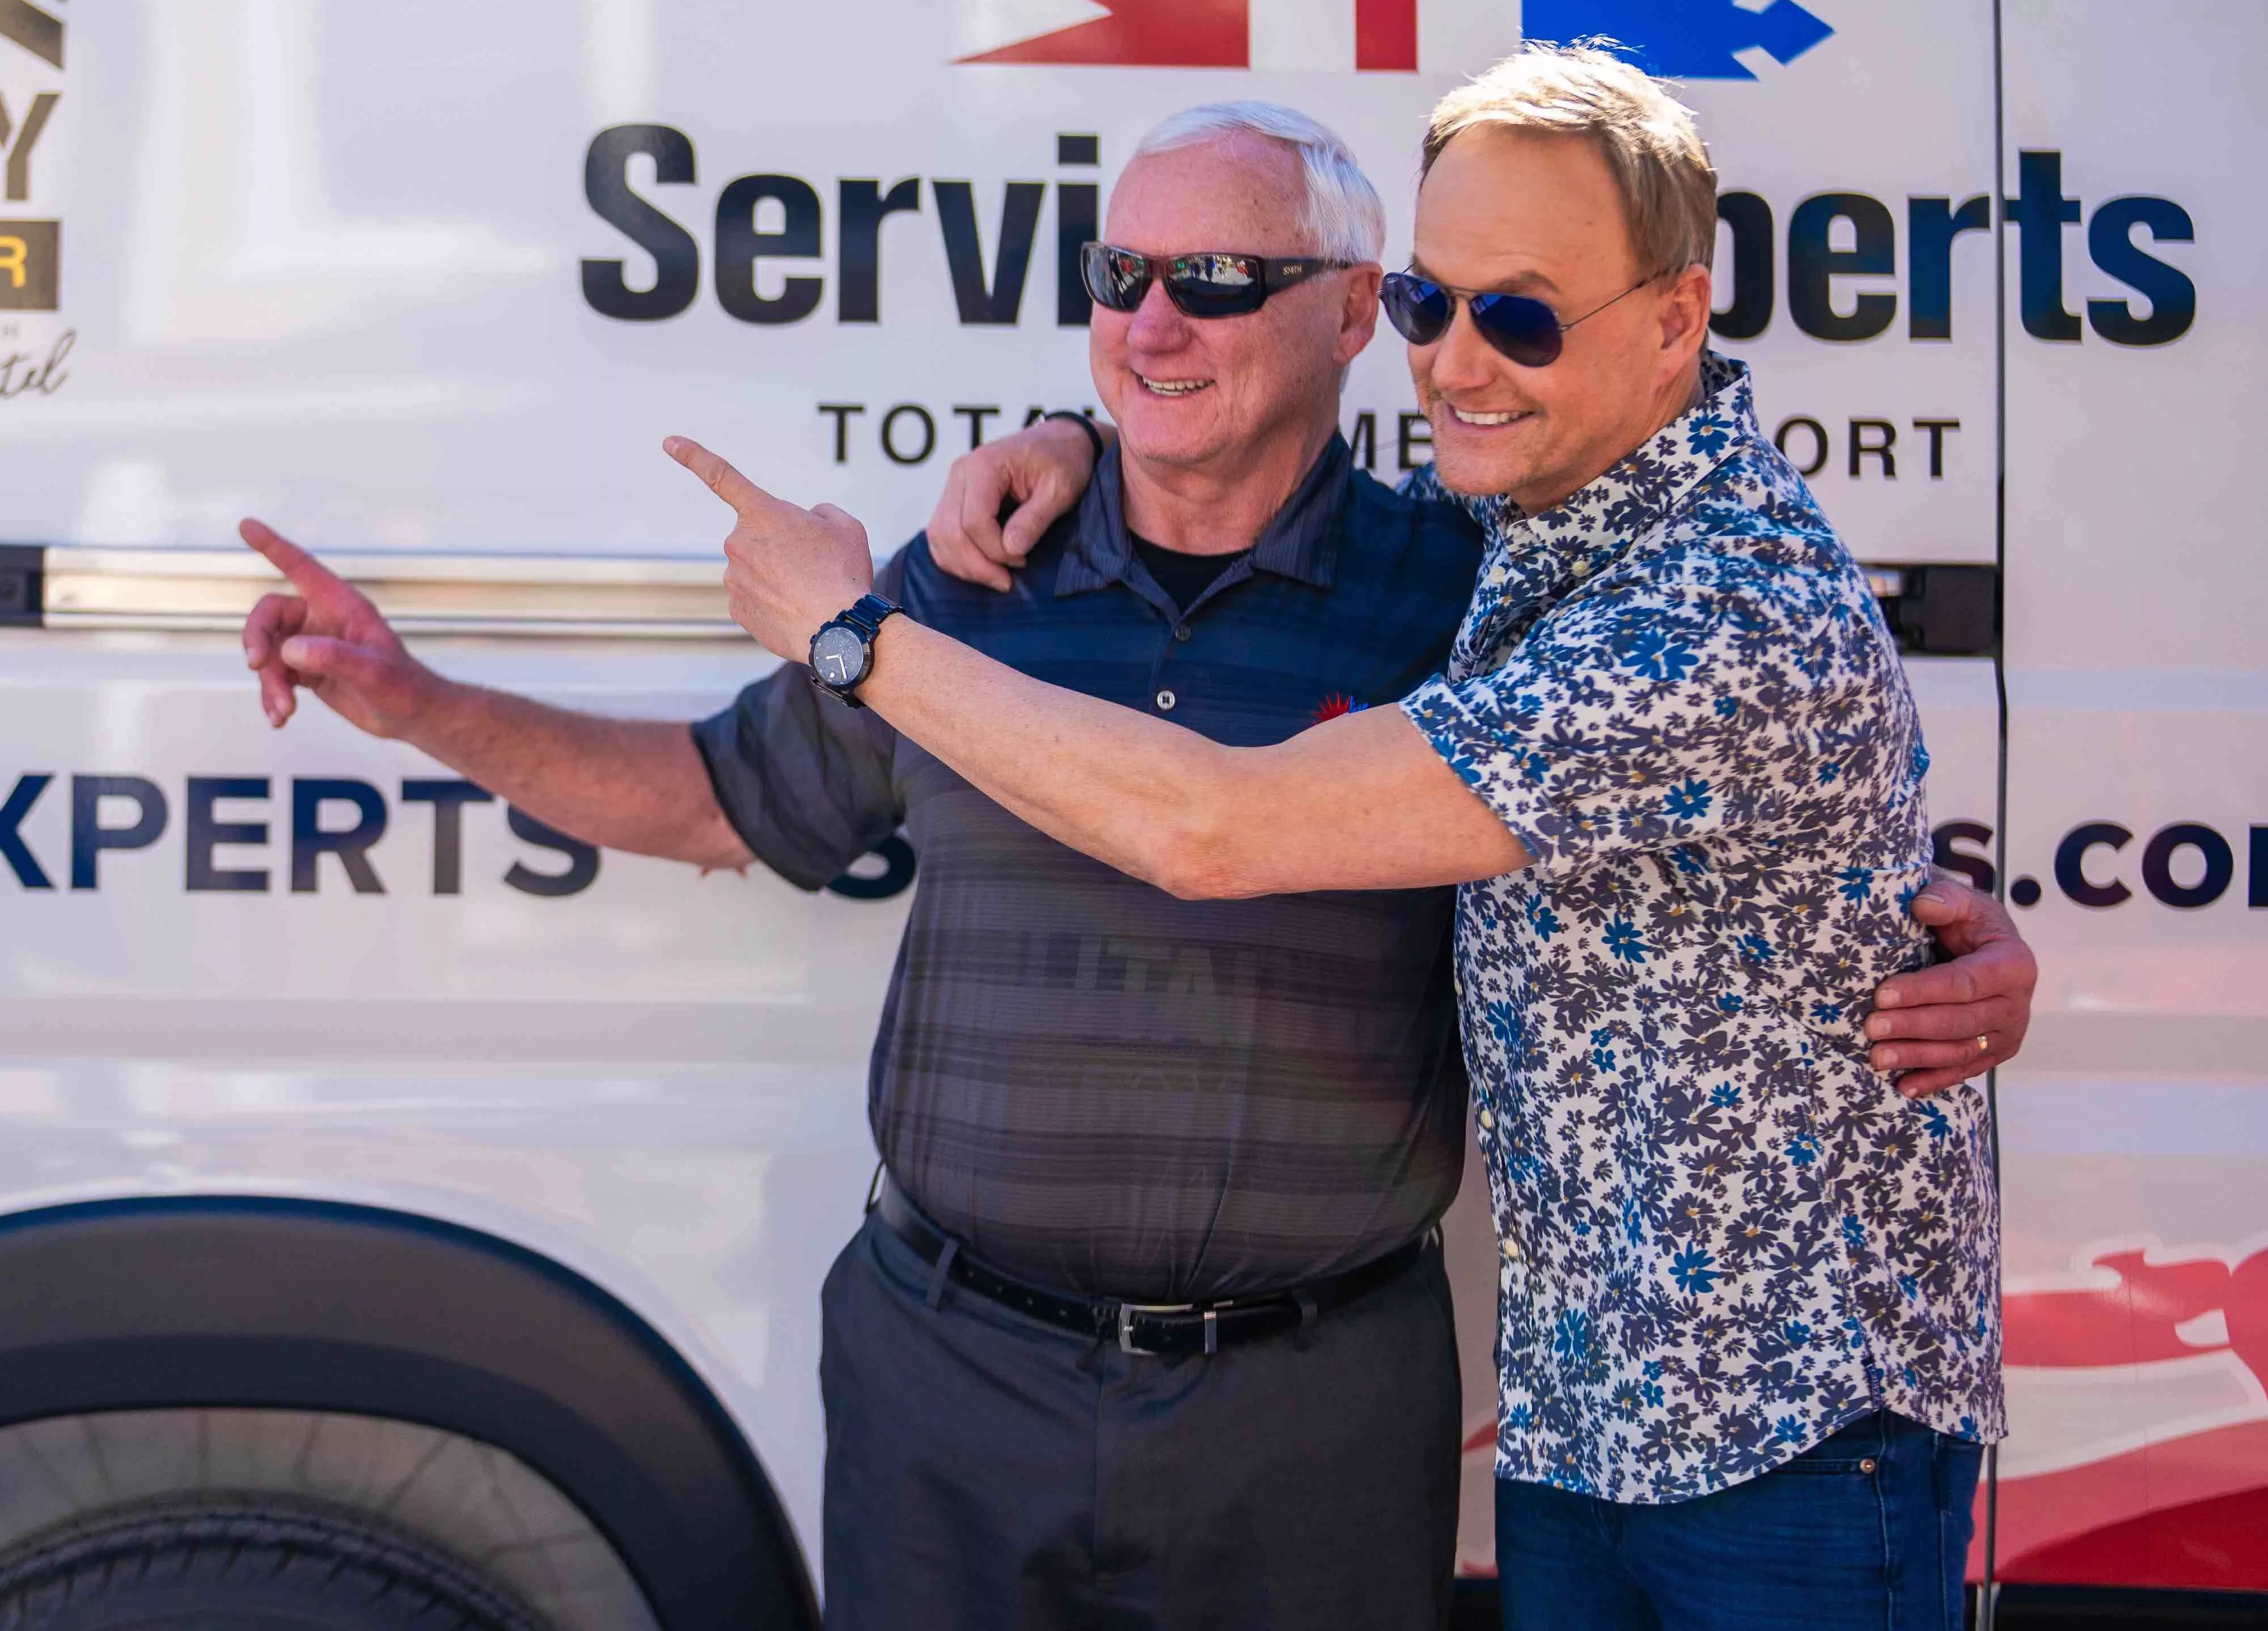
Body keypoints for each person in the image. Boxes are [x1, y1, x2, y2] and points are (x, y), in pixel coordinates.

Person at [240, 94, 2029, 1630]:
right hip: (954, 1378)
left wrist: (1940, 939)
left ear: (1349, 318)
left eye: (1216, 284)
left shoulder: (1465, 598)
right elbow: (718, 799)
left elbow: (1723, 750)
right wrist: (416, 703)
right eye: (1120, 281)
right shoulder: (978, 578)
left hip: (1313, 1419)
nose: (1153, 325)